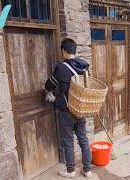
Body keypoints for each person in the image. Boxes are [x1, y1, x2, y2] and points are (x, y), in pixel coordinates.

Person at [45, 38, 92, 179]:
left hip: (66, 111)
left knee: (68, 141)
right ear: (74, 50)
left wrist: (48, 89)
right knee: (83, 139)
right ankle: (87, 170)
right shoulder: (83, 66)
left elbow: (50, 85)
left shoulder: (61, 68)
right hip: (80, 108)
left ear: (64, 51)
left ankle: (71, 171)